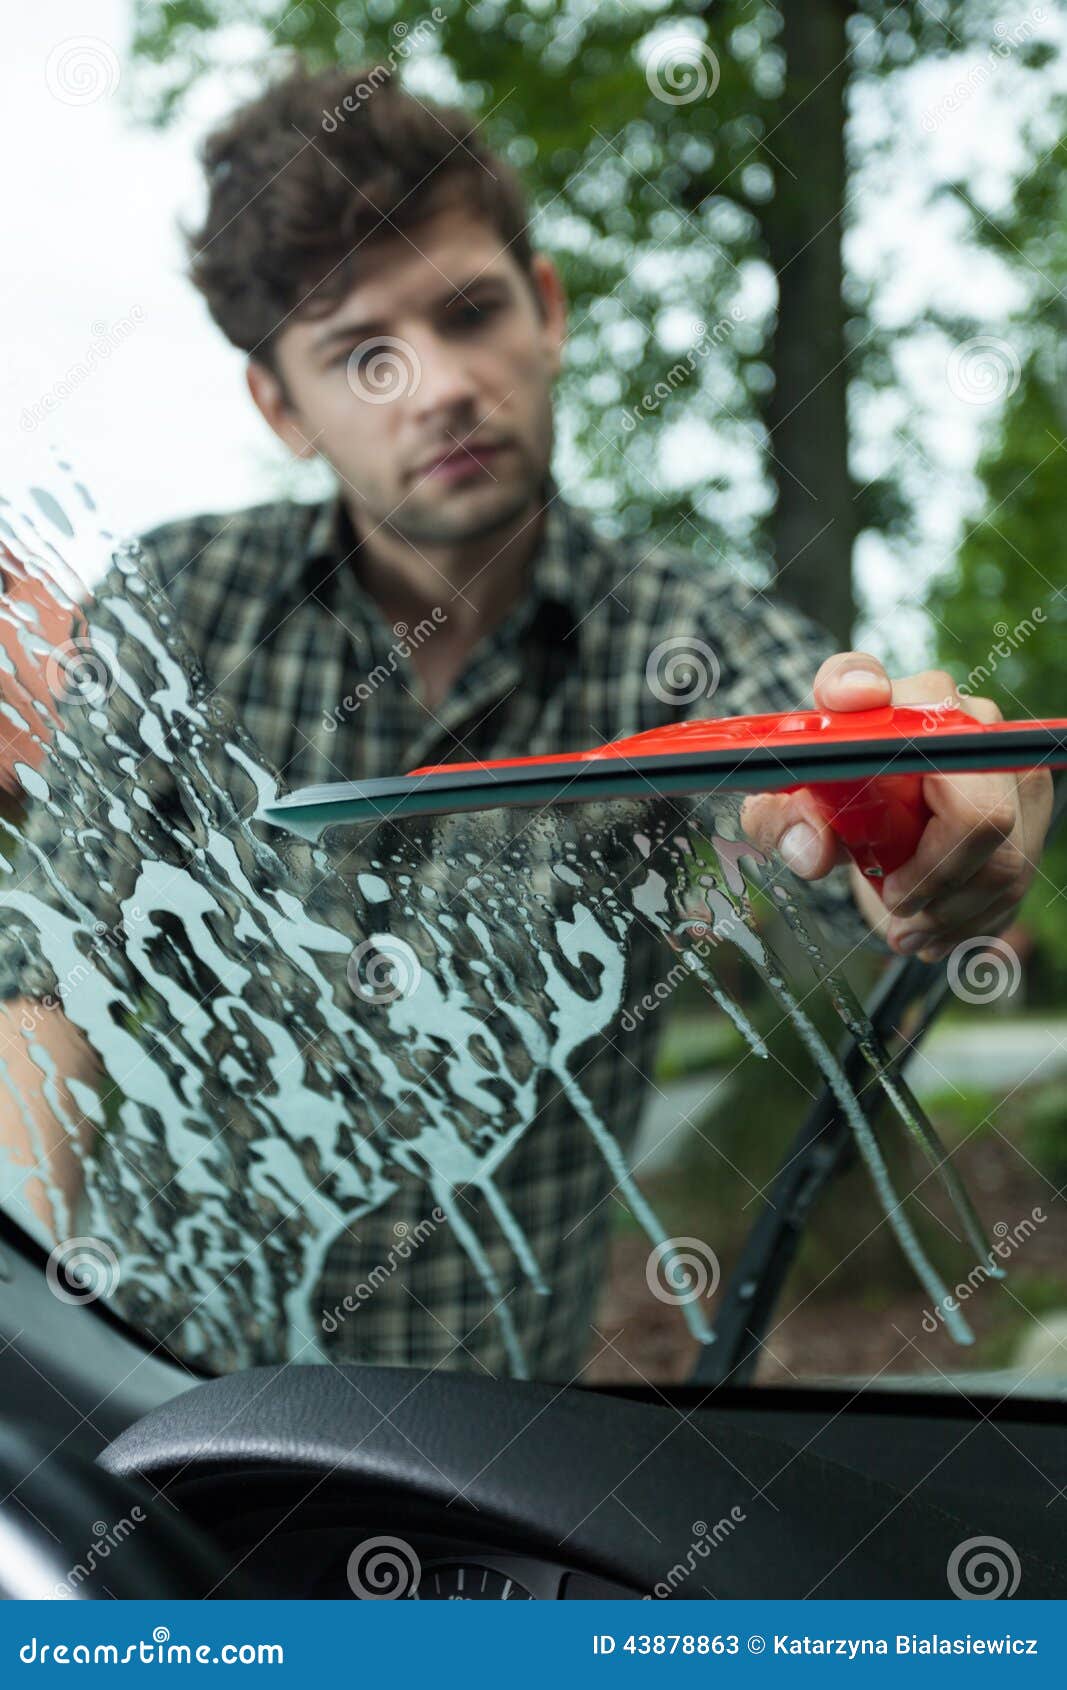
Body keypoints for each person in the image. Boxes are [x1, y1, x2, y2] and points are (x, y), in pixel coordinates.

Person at [0, 62, 1052, 1378]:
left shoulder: (684, 638)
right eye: (362, 354)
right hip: (151, 1397)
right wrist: (37, 1350)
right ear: (280, 406)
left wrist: (931, 817)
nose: (441, 386)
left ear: (546, 309)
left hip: (498, 1437)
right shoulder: (179, 601)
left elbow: (850, 782)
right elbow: (44, 984)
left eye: (471, 312)